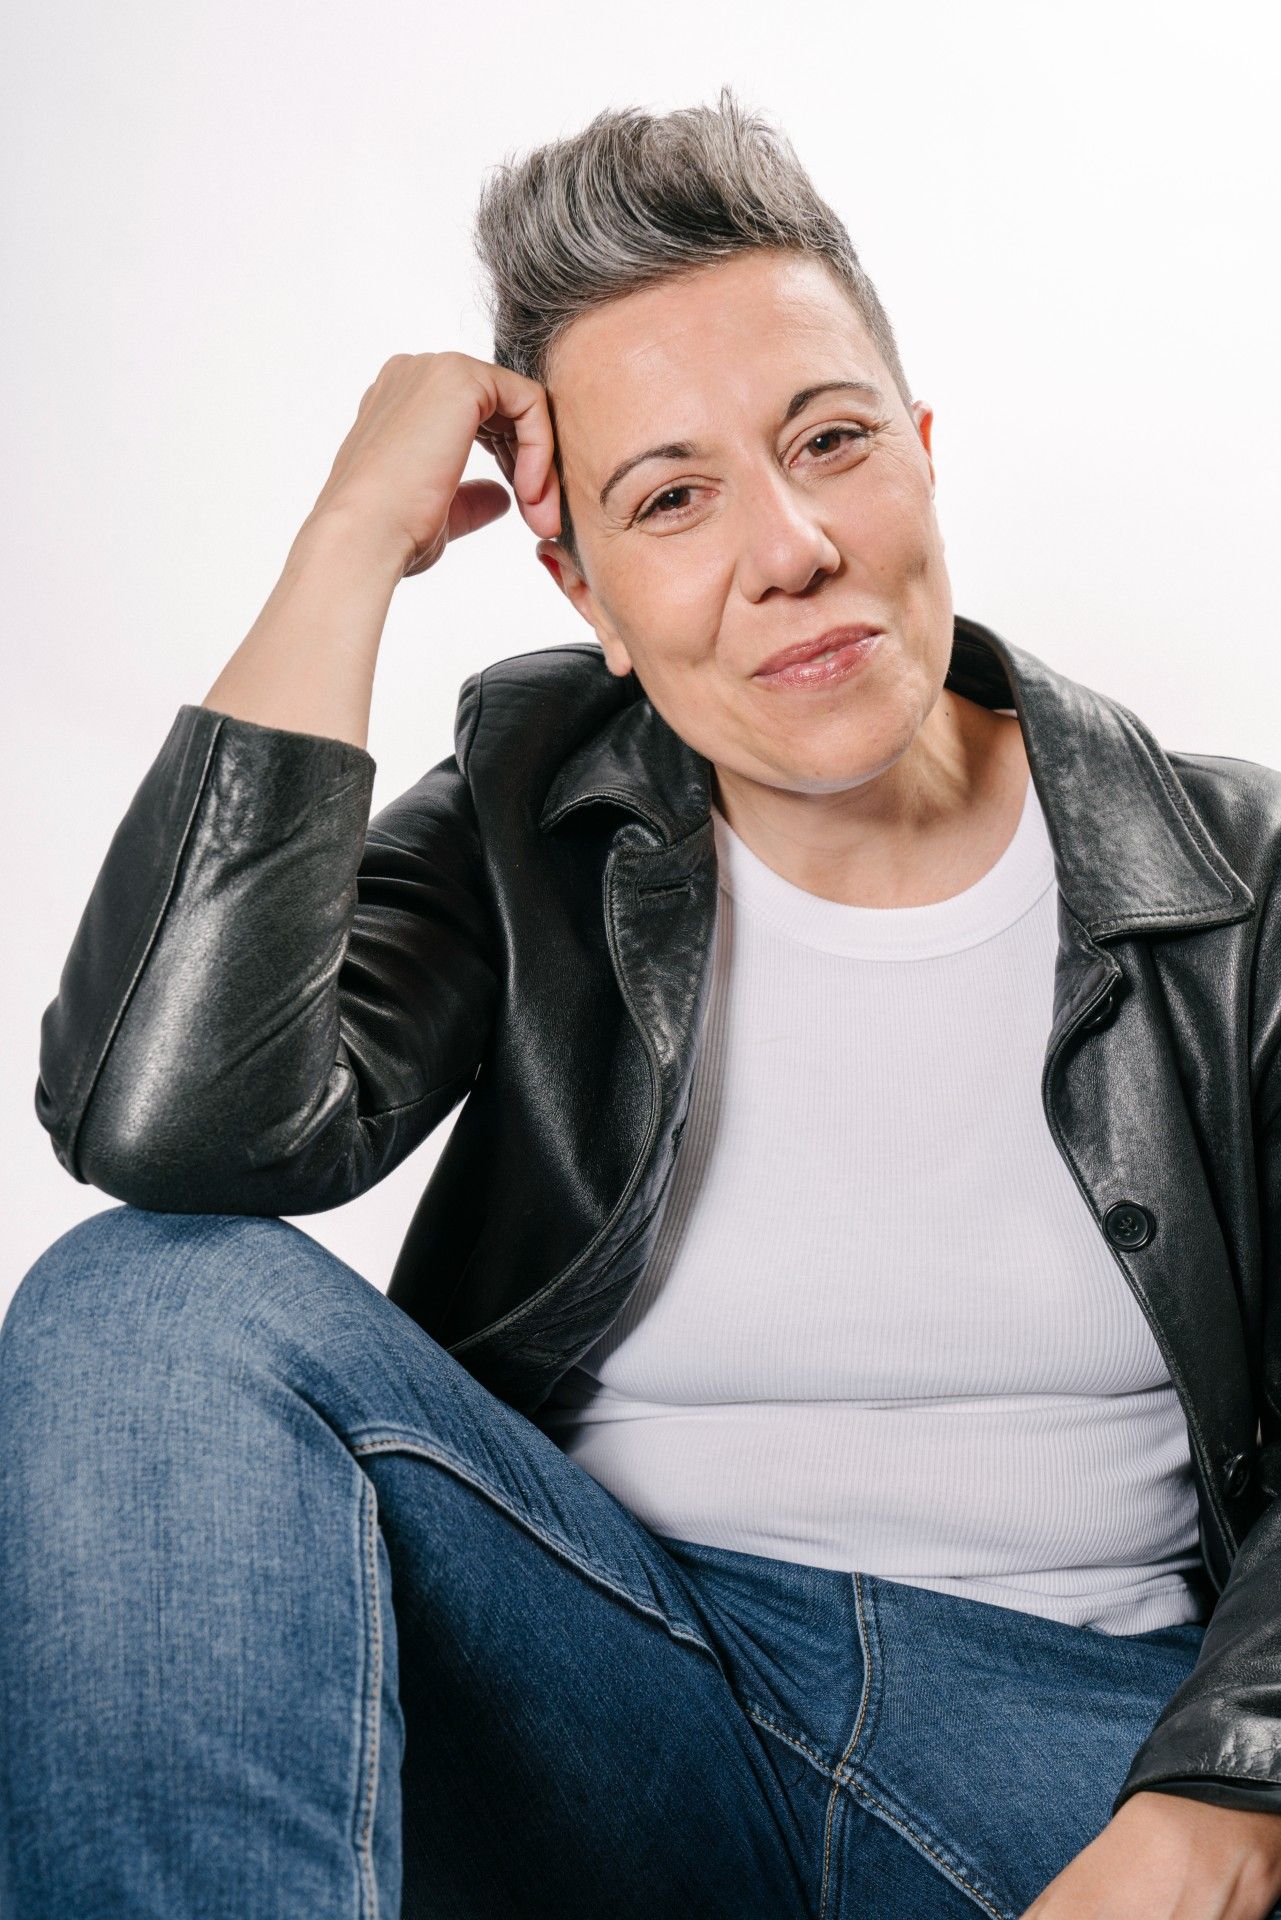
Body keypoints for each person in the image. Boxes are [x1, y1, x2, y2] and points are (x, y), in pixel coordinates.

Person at [2, 86, 1280, 1920]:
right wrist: (349, 541)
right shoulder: (538, 801)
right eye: (669, 499)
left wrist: (1225, 1793)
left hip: (1063, 1748)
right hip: (609, 1690)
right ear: (581, 589)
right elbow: (173, 1128)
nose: (789, 547)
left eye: (830, 441)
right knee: (142, 1302)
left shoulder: (1239, 878)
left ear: (923, 455)